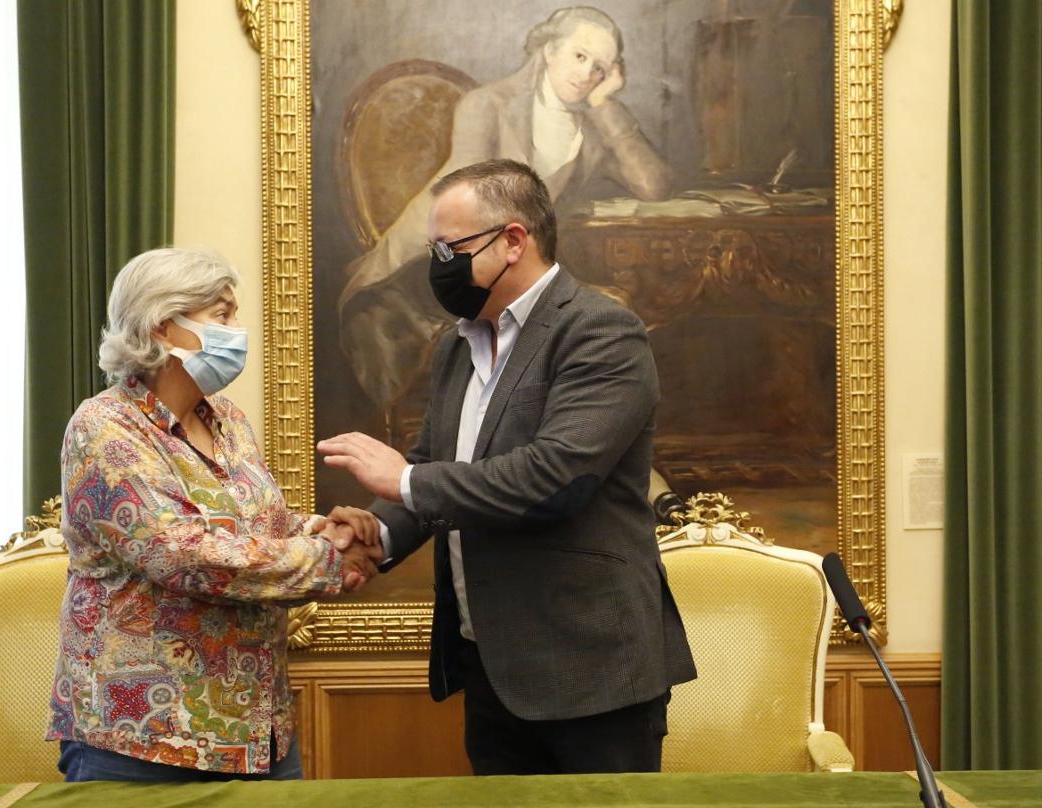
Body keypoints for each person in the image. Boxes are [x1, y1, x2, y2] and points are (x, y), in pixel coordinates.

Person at [320, 159, 696, 775]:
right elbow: (435, 463)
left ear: (513, 240)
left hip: (591, 669)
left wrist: (404, 480)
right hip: (489, 664)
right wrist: (377, 532)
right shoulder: (458, 344)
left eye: (451, 249)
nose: (438, 265)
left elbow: (554, 478)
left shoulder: (600, 331)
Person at [47, 247, 380, 782]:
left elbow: (263, 526)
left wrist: (326, 529)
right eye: (221, 315)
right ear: (162, 327)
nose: (237, 331)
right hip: (146, 740)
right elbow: (184, 555)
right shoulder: (104, 428)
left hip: (258, 731)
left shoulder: (228, 420)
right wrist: (331, 560)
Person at [338, 5, 672, 415]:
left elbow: (654, 185)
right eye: (580, 56)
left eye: (600, 68)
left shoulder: (593, 129)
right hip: (433, 262)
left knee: (602, 325)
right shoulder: (488, 104)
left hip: (509, 263)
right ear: (549, 50)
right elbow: (468, 205)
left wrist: (604, 105)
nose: (587, 73)